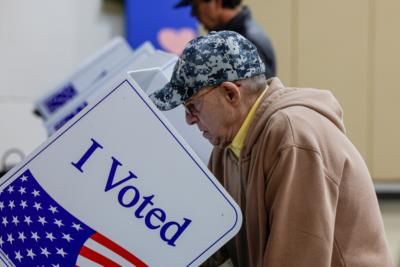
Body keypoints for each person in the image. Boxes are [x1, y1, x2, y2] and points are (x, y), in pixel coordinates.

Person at [149, 31, 393, 267]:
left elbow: (298, 259)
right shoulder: (227, 147)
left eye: (193, 106)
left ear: (230, 94)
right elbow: (213, 242)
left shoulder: (293, 137)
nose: (189, 120)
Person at [174, 0, 276, 79]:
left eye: (196, 7)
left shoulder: (246, 42)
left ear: (217, 2)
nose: (193, 14)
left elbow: (256, 98)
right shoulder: (236, 38)